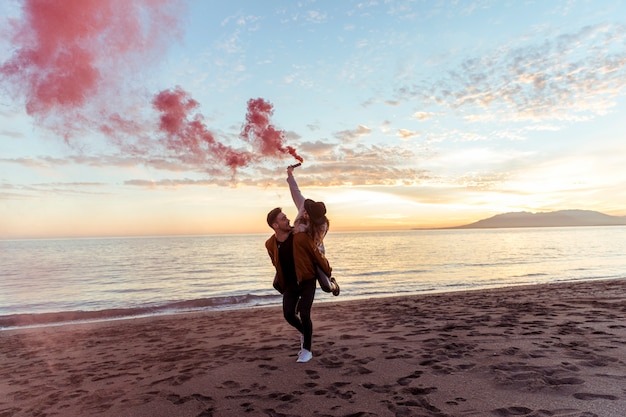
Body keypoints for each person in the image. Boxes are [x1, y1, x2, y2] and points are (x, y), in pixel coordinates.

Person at [266, 207, 332, 363]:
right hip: (290, 284)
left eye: (286, 217)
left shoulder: (300, 237)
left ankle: (306, 351)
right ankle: (305, 332)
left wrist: (328, 273)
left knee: (304, 313)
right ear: (275, 225)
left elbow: (317, 255)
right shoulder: (270, 244)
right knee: (288, 314)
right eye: (283, 219)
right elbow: (275, 263)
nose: (288, 220)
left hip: (307, 280)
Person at [287, 165, 340, 296]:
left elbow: (311, 243)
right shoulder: (303, 205)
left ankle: (334, 284)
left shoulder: (322, 226)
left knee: (326, 287)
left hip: (315, 254)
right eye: (305, 211)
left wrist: (300, 229)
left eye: (307, 214)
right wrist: (289, 174)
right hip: (299, 252)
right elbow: (295, 191)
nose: (304, 213)